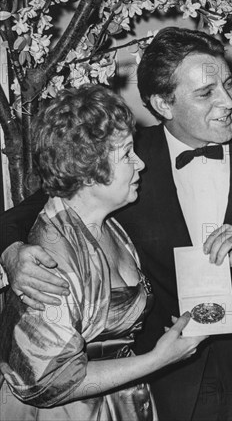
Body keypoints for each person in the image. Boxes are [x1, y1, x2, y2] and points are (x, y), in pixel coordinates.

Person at [0, 27, 232, 420]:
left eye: (228, 84)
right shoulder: (117, 162)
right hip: (161, 387)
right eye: (205, 92)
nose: (228, 101)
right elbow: (22, 216)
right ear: (163, 103)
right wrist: (12, 254)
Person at [0, 84, 205, 420]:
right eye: (126, 153)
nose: (140, 164)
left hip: (119, 400)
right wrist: (158, 359)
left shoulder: (109, 225)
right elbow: (44, 380)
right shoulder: (51, 255)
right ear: (88, 168)